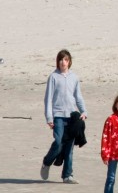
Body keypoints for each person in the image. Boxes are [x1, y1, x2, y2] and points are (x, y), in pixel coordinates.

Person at [40, 49, 87, 184]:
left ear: (69, 61)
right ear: (57, 62)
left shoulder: (74, 78)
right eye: (60, 60)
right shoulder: (53, 77)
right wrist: (49, 118)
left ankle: (67, 175)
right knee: (59, 142)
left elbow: (78, 97)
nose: (63, 62)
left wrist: (84, 111)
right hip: (58, 116)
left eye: (65, 60)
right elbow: (48, 99)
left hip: (72, 116)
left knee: (69, 147)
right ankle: (47, 161)